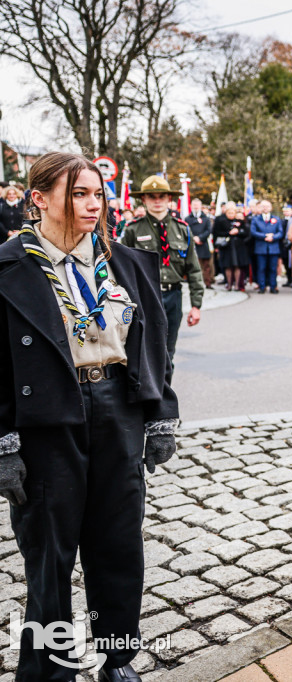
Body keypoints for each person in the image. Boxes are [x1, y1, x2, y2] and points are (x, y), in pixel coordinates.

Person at [0, 152, 178, 682]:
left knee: (118, 546)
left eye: (97, 194)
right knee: (49, 558)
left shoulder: (123, 261)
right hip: (47, 421)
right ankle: (48, 672)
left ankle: (116, 659)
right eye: (78, 193)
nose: (91, 204)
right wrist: (3, 441)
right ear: (39, 199)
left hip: (118, 410)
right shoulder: (9, 267)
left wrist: (160, 413)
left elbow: (155, 345)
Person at [120, 176, 203, 374]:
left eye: (162, 196)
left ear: (169, 199)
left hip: (172, 295)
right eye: (152, 196)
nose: (157, 200)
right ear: (144, 200)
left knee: (168, 351)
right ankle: (147, 396)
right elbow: (121, 268)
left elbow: (193, 268)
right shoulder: (133, 230)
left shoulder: (182, 229)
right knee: (144, 350)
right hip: (144, 297)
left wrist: (196, 305)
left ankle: (164, 399)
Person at [212, 202, 250, 292]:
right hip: (226, 246)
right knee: (227, 266)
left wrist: (238, 232)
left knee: (238, 265)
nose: (231, 214)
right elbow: (215, 233)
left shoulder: (239, 220)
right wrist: (228, 233)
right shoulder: (220, 220)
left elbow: (246, 232)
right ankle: (228, 284)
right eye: (229, 212)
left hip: (238, 247)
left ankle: (237, 285)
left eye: (233, 212)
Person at [249, 200, 283, 294]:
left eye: (267, 206)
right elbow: (253, 232)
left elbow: (280, 232)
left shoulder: (276, 219)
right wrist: (265, 236)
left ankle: (273, 286)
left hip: (273, 248)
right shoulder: (256, 219)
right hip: (261, 248)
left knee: (273, 268)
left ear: (271, 208)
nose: (265, 208)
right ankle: (262, 286)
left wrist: (273, 237)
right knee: (261, 268)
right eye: (263, 206)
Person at [185, 198, 214, 288]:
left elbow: (208, 230)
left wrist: (200, 238)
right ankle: (194, 283)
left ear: (201, 206)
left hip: (203, 244)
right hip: (192, 245)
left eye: (197, 205)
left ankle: (207, 283)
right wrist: (193, 238)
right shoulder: (187, 218)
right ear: (191, 206)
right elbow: (186, 230)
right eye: (194, 205)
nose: (196, 207)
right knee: (193, 265)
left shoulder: (205, 218)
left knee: (206, 265)